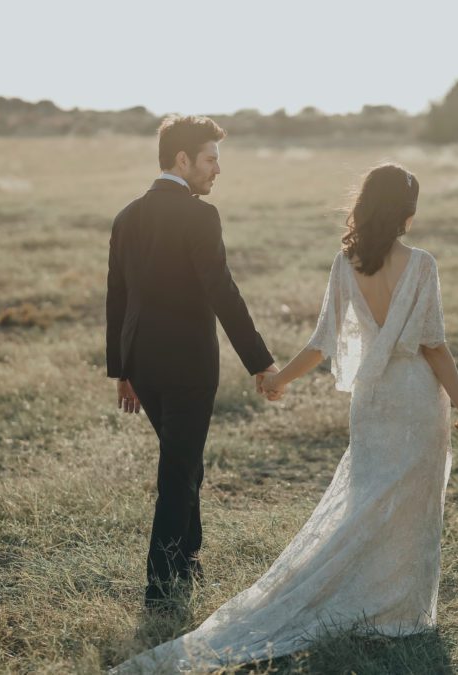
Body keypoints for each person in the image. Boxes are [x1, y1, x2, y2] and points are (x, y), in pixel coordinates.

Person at [111, 163, 458, 673]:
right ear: (408, 214)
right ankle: (400, 611)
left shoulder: (347, 262)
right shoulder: (422, 265)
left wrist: (280, 379)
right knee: (412, 506)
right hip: (418, 401)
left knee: (366, 500)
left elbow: (321, 343)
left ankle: (369, 599)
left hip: (373, 402)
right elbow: (435, 347)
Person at [106, 115, 279, 612]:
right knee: (178, 472)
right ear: (181, 160)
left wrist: (122, 370)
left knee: (184, 463)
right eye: (210, 159)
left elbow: (116, 299)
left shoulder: (126, 216)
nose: (217, 170)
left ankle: (186, 559)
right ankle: (161, 590)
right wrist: (260, 362)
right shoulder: (200, 217)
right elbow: (222, 292)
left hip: (142, 365)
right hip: (187, 368)